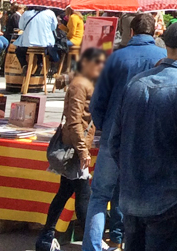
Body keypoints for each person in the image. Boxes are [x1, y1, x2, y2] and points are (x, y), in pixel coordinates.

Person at [109, 19, 177, 250]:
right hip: (170, 200)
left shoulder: (136, 83)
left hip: (133, 197)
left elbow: (115, 142)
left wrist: (131, 177)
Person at [84, 13, 166, 251]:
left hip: (113, 133)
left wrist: (104, 124)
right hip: (148, 138)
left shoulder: (116, 58)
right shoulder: (163, 58)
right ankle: (126, 242)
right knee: (136, 196)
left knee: (100, 195)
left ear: (131, 32)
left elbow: (98, 101)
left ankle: (92, 247)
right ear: (154, 33)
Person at [36, 48, 105, 251]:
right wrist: (83, 151)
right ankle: (92, 243)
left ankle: (46, 237)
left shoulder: (86, 83)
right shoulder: (79, 85)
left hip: (77, 146)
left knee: (65, 192)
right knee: (85, 196)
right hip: (75, 148)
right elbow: (74, 122)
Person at [15, 6, 59, 74]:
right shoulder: (50, 13)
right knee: (42, 50)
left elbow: (21, 27)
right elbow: (53, 27)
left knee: (19, 51)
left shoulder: (26, 13)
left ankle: (24, 65)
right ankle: (40, 63)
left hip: (28, 42)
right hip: (45, 42)